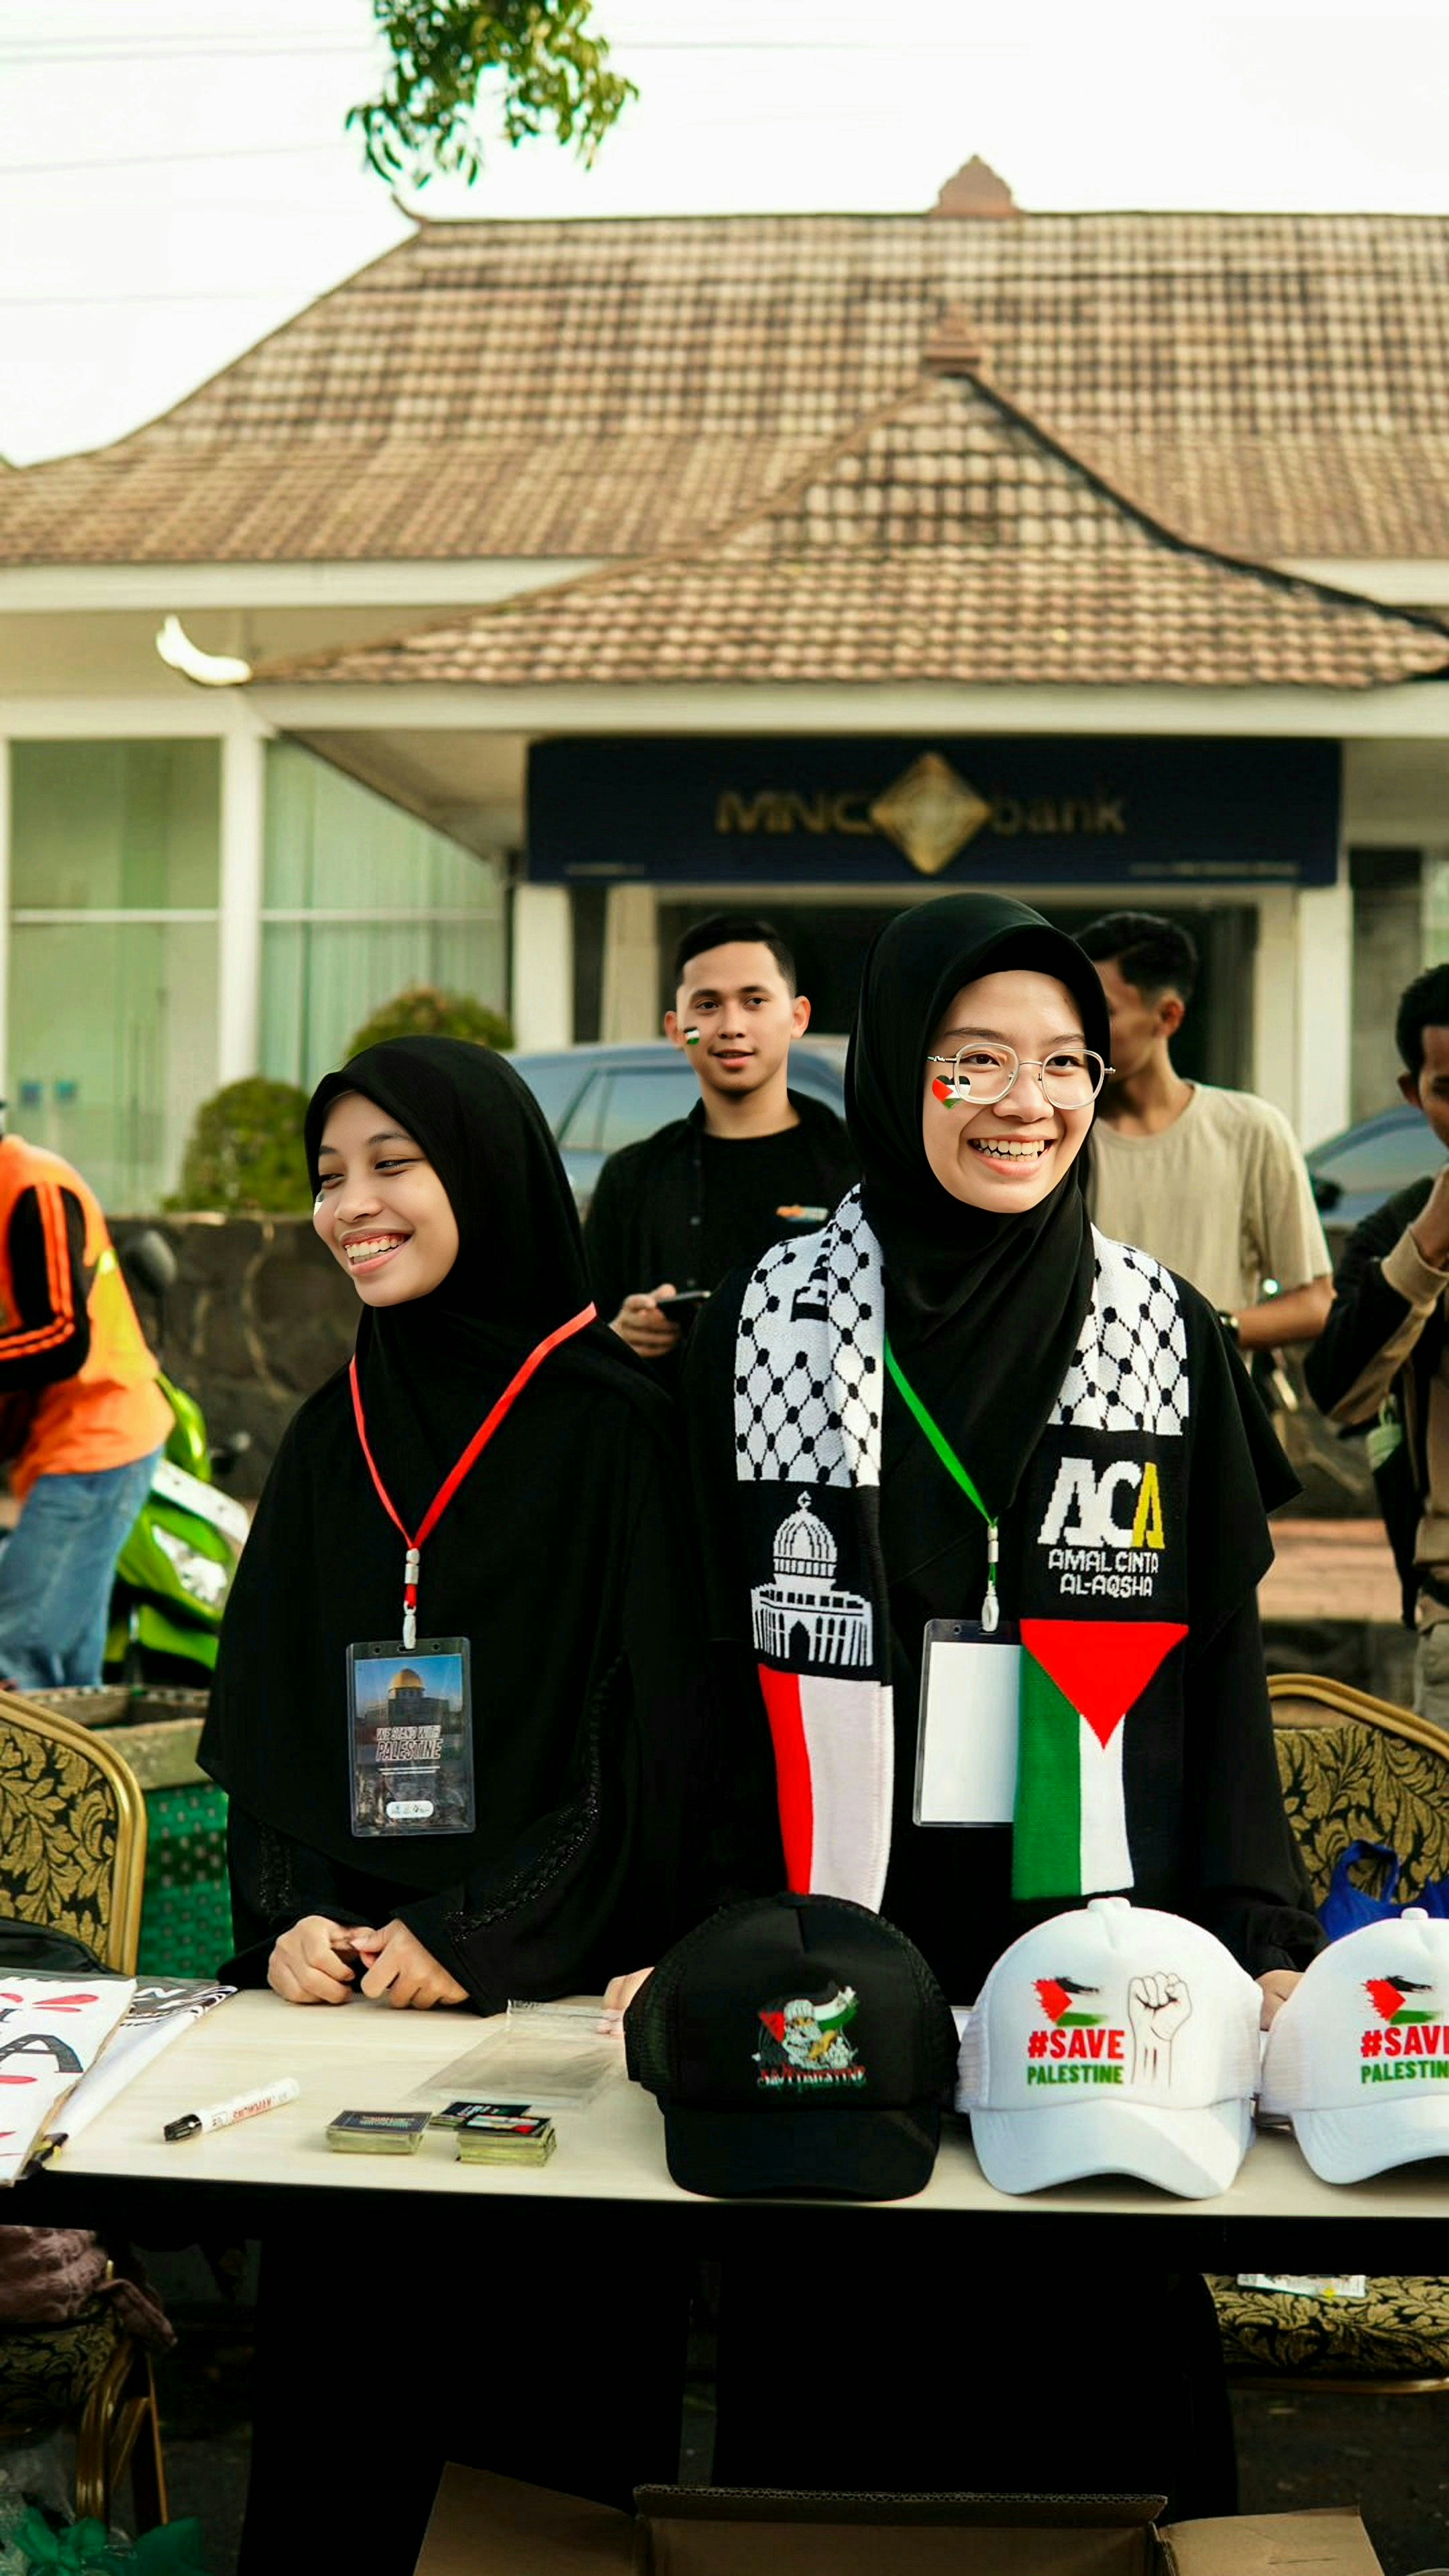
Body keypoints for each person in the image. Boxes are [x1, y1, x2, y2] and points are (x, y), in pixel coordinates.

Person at [663, 892, 1321, 2506]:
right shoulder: (765, 1317)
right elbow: (688, 1651)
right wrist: (678, 1924)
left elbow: (1217, 1668)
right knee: (841, 2408)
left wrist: (1261, 1931)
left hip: (1095, 1943)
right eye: (972, 1061)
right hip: (829, 1945)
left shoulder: (1158, 1325)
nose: (1024, 1102)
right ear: (896, 1072)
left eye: (1063, 1064)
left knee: (1088, 2400)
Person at [200, 1037, 706, 2569]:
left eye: (392, 1164)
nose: (352, 1205)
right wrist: (292, 1921)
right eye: (328, 1174)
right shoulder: (325, 1430)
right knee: (344, 2460)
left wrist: (477, 1927)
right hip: (349, 2044)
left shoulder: (612, 1422)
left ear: (480, 1169)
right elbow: (277, 1725)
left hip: (542, 2037)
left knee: (534, 2482)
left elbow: (646, 1740)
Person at [583, 914, 857, 1366]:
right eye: (707, 1005)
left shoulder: (858, 1168)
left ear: (797, 1017)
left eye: (754, 1001)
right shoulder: (633, 1177)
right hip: (672, 1431)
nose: (731, 1025)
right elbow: (582, 1336)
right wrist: (619, 1334)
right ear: (676, 1030)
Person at [1079, 910, 1332, 1352]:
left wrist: (1208, 1330)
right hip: (1085, 1412)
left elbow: (1315, 1302)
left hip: (1212, 1414)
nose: (1081, 1030)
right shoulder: (1055, 1134)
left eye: (1103, 1012)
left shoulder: (1250, 1130)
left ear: (1168, 1017)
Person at [1305, 963, 1449, 1726]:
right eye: (1448, 1090)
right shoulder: (1399, 1229)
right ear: (1414, 1095)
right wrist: (1427, 1246)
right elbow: (1341, 1394)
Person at [0, 1117, 170, 1690]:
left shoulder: (33, 1187)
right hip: (73, 1448)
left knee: (16, 1659)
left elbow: (61, 1334)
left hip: (101, 1440)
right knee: (70, 1678)